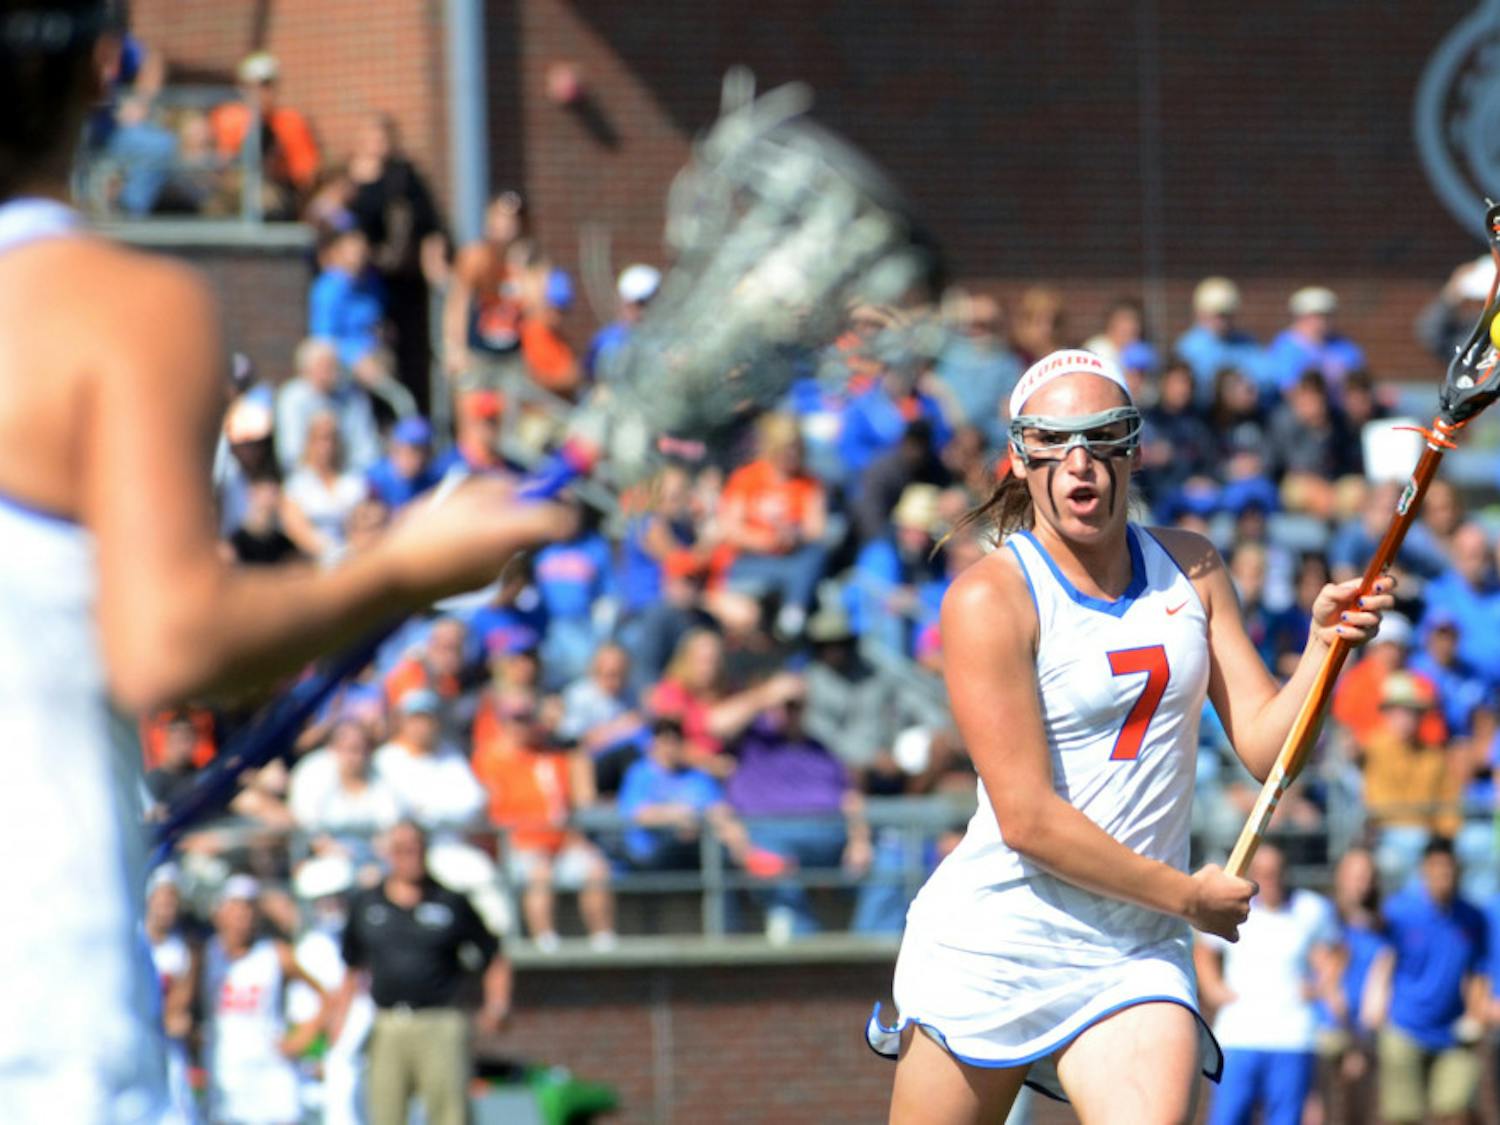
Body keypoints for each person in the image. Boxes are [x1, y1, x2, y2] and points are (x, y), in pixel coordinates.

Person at [0, 15, 571, 1118]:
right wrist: (405, 566)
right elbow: (172, 642)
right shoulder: (117, 306)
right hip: (42, 1015)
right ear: (101, 75)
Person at [866, 349, 1393, 1122]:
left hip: (1133, 949)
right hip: (998, 941)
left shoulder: (1194, 566)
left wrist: (1323, 650)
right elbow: (1028, 819)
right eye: (1053, 440)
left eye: (1102, 437)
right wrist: (1187, 895)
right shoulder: (989, 599)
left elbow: (1263, 748)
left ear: (1134, 449)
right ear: (1019, 458)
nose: (1080, 463)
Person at [334, 820, 511, 1125]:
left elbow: (493, 955)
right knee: (386, 1111)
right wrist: (337, 1024)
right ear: (388, 854)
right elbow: (352, 969)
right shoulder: (367, 904)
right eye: (401, 850)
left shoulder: (450, 901)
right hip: (387, 1022)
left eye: (416, 849)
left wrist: (496, 1004)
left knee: (449, 1113)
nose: (410, 857)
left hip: (439, 1021)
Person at [1193, 842, 1340, 1125]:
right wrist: (1213, 988)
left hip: (1292, 1036)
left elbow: (1335, 953)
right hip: (1239, 1034)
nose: (1269, 879)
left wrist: (1320, 986)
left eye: (1275, 871)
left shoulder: (1309, 909)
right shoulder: (1232, 908)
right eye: (1262, 872)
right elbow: (1203, 949)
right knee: (1227, 1117)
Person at [1363, 837, 1490, 1125]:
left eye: (1449, 867)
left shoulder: (1472, 918)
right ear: (1424, 869)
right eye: (1437, 867)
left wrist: (1476, 1014)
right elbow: (1377, 933)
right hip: (1405, 1027)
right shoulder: (1402, 910)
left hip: (1453, 1031)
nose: (1444, 874)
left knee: (1454, 1109)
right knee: (1404, 1116)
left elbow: (1479, 971)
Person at [201, 875, 326, 1125]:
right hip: (226, 1073)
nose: (242, 917)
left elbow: (326, 995)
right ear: (219, 914)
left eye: (248, 909)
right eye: (235, 908)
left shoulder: (275, 954)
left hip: (271, 1075)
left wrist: (303, 1037)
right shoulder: (205, 955)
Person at [275, 336, 382, 475]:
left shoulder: (352, 397)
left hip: (348, 478)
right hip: (305, 481)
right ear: (306, 369)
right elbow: (290, 453)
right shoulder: (291, 398)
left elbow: (366, 450)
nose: (331, 373)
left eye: (334, 366)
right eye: (324, 366)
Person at [1174, 277, 1261, 405]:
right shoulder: (1188, 347)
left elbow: (1265, 376)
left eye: (1227, 314)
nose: (1222, 321)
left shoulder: (1246, 342)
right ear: (1200, 313)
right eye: (1217, 315)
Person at [585, 262, 660, 383]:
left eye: (643, 305)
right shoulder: (607, 340)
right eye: (637, 305)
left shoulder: (664, 338)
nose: (640, 312)